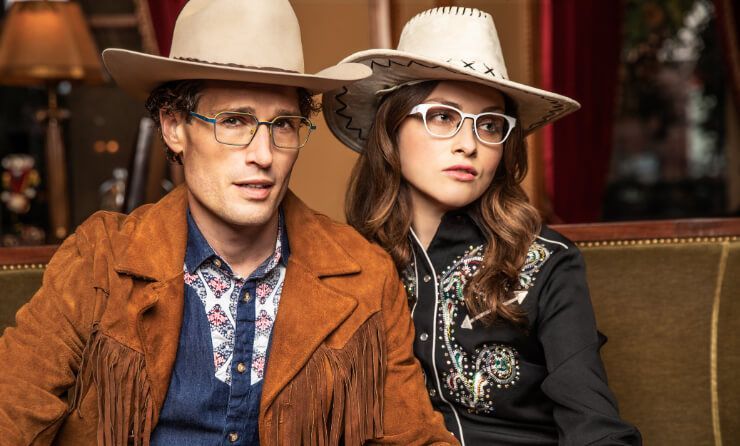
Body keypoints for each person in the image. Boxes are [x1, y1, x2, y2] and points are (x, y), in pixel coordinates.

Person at [0, 1, 458, 445]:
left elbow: (411, 437)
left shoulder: (364, 275)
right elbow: (13, 408)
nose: (263, 155)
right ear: (174, 127)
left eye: (283, 125)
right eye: (234, 121)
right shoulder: (101, 258)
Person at [323, 6, 642, 446]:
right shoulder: (347, 262)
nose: (469, 145)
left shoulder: (548, 262)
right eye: (442, 117)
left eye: (489, 124)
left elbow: (594, 424)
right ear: (392, 129)